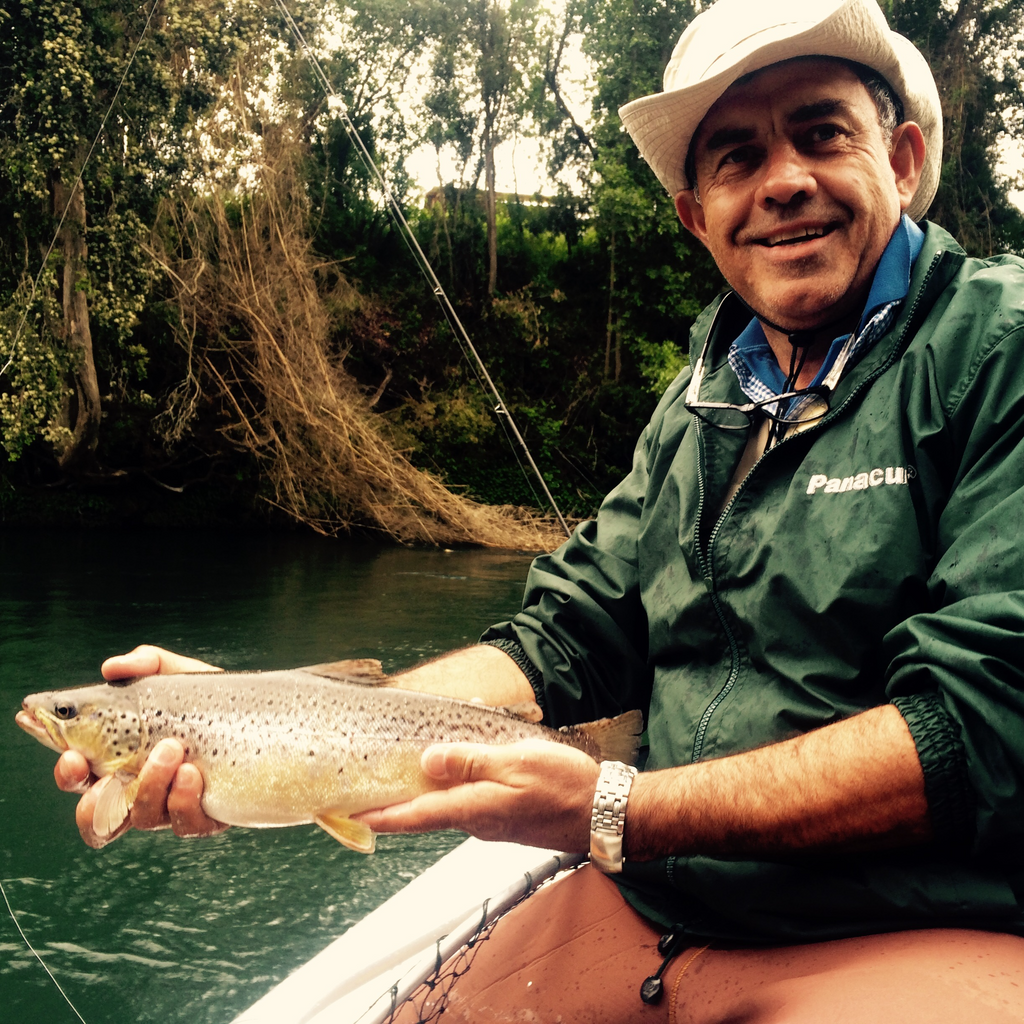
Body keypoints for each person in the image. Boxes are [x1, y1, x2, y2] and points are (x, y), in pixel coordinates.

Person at [55, 0, 1024, 1019]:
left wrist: (619, 806)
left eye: (821, 134)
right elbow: (569, 633)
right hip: (660, 898)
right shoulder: (702, 401)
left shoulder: (997, 348)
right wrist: (267, 722)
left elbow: (982, 727)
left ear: (904, 159)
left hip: (921, 919)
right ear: (697, 216)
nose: (782, 180)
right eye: (735, 158)